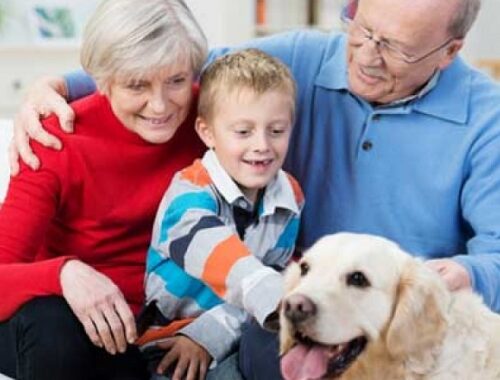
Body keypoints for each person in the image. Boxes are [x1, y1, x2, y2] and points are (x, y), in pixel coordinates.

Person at [8, 0, 500, 378]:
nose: (368, 56)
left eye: (395, 47)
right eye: (361, 29)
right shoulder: (300, 61)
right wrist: (57, 84)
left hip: (381, 312)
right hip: (267, 299)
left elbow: (496, 256)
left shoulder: (486, 119)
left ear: (450, 52)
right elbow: (182, 69)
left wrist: (455, 276)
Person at [0, 0, 244, 379]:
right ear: (102, 81)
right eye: (137, 85)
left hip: (151, 326)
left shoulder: (213, 122)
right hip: (66, 323)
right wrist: (64, 274)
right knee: (54, 328)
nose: (160, 105)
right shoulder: (55, 140)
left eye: (176, 81)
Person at [141, 48, 303, 378]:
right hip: (171, 341)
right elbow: (230, 265)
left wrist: (213, 335)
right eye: (243, 132)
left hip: (236, 333)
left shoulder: (290, 197)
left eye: (276, 130)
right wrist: (284, 298)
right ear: (208, 132)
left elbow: (270, 273)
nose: (262, 145)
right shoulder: (187, 195)